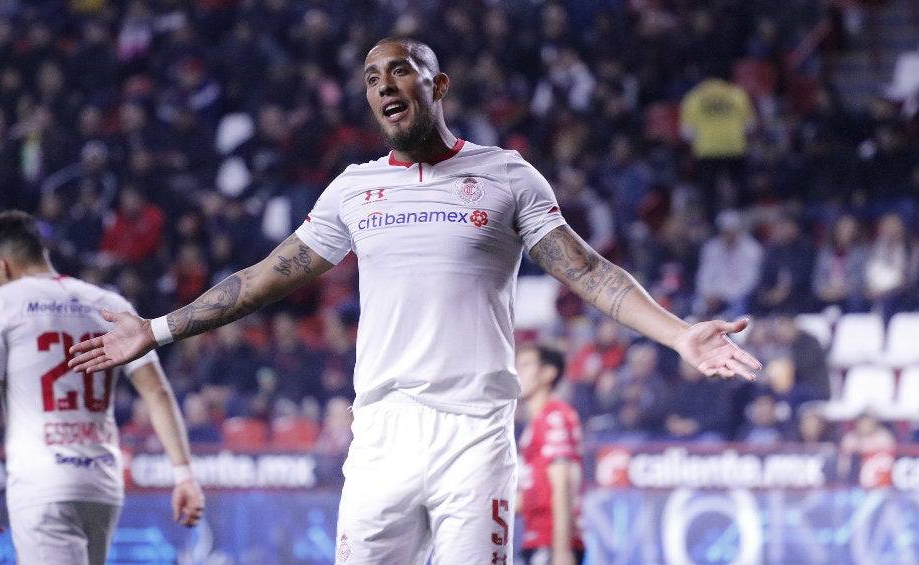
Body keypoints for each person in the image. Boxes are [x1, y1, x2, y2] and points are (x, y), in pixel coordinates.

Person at [69, 37, 761, 565]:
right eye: (372, 79)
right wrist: (156, 329)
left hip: (475, 432)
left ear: (437, 84)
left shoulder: (506, 175)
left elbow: (585, 268)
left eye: (399, 71)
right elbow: (263, 278)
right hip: (382, 433)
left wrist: (678, 334)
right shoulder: (353, 189)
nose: (384, 85)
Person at [0, 210, 205, 565]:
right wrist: (184, 475)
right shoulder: (110, 304)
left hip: (41, 481)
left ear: (2, 265)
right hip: (101, 484)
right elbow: (157, 392)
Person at [514, 344, 586, 565]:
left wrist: (562, 550)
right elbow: (531, 493)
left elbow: (562, 484)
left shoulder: (555, 417)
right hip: (536, 539)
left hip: (552, 543)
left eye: (525, 365)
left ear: (548, 373)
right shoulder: (536, 422)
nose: (517, 372)